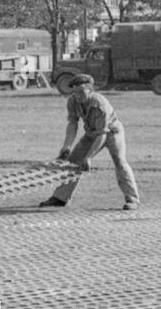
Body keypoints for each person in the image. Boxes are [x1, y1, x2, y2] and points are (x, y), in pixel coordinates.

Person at [41, 74, 140, 210]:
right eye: (75, 92)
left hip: (112, 133)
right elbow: (72, 124)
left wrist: (89, 157)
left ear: (90, 90)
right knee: (73, 161)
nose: (78, 96)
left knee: (120, 162)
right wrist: (67, 146)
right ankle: (60, 198)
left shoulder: (100, 104)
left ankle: (132, 199)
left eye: (81, 92)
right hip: (92, 133)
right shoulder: (72, 101)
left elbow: (102, 135)